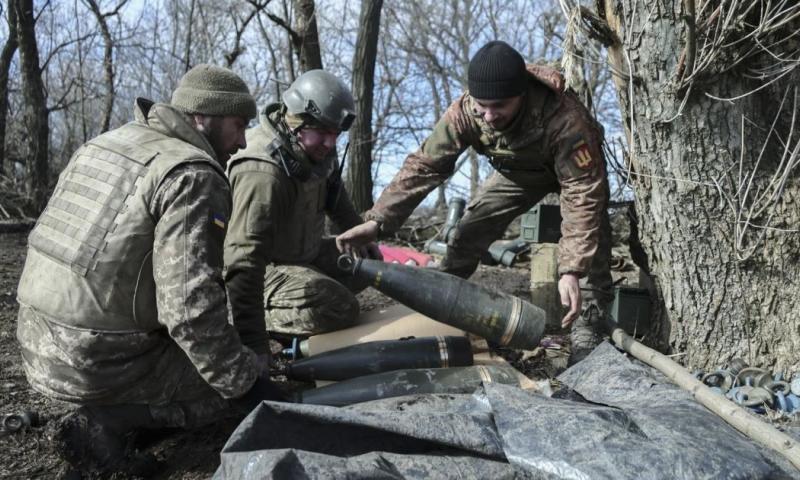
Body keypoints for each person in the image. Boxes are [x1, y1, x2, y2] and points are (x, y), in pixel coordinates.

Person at [16, 64, 283, 475]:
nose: (243, 141)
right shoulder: (193, 173)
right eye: (237, 125)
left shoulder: (103, 144)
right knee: (225, 391)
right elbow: (191, 315)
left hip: (35, 342)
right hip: (96, 360)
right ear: (203, 118)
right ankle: (107, 423)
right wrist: (248, 383)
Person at [336, 41, 613, 364]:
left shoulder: (565, 119)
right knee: (467, 232)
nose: (489, 115)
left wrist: (571, 270)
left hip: (575, 174)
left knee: (594, 243)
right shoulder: (466, 111)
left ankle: (591, 320)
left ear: (521, 94)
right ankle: (440, 303)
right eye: (483, 106)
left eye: (499, 106)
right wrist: (377, 220)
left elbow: (582, 192)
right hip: (517, 175)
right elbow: (425, 165)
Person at [224, 69, 378, 355]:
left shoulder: (317, 153)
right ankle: (239, 318)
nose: (331, 144)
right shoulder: (262, 170)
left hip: (301, 254)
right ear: (295, 122)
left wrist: (362, 237)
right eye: (323, 133)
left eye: (336, 135)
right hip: (259, 272)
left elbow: (339, 204)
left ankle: (300, 296)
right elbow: (243, 265)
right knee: (339, 306)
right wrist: (256, 347)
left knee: (369, 265)